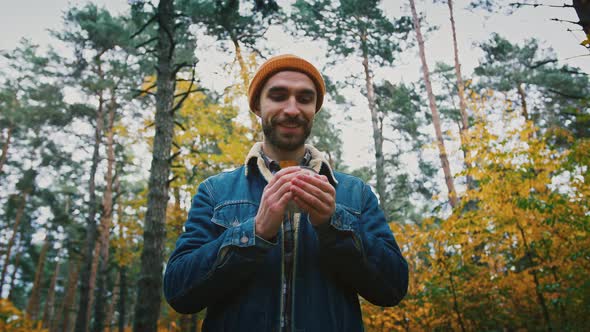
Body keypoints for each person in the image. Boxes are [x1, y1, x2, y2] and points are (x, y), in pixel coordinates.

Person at [163, 54, 408, 331]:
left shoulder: (355, 193)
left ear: (315, 108)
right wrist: (254, 232)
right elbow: (178, 292)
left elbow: (393, 288)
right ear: (257, 105)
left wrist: (335, 224)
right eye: (278, 96)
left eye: (304, 98)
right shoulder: (214, 192)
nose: (292, 109)